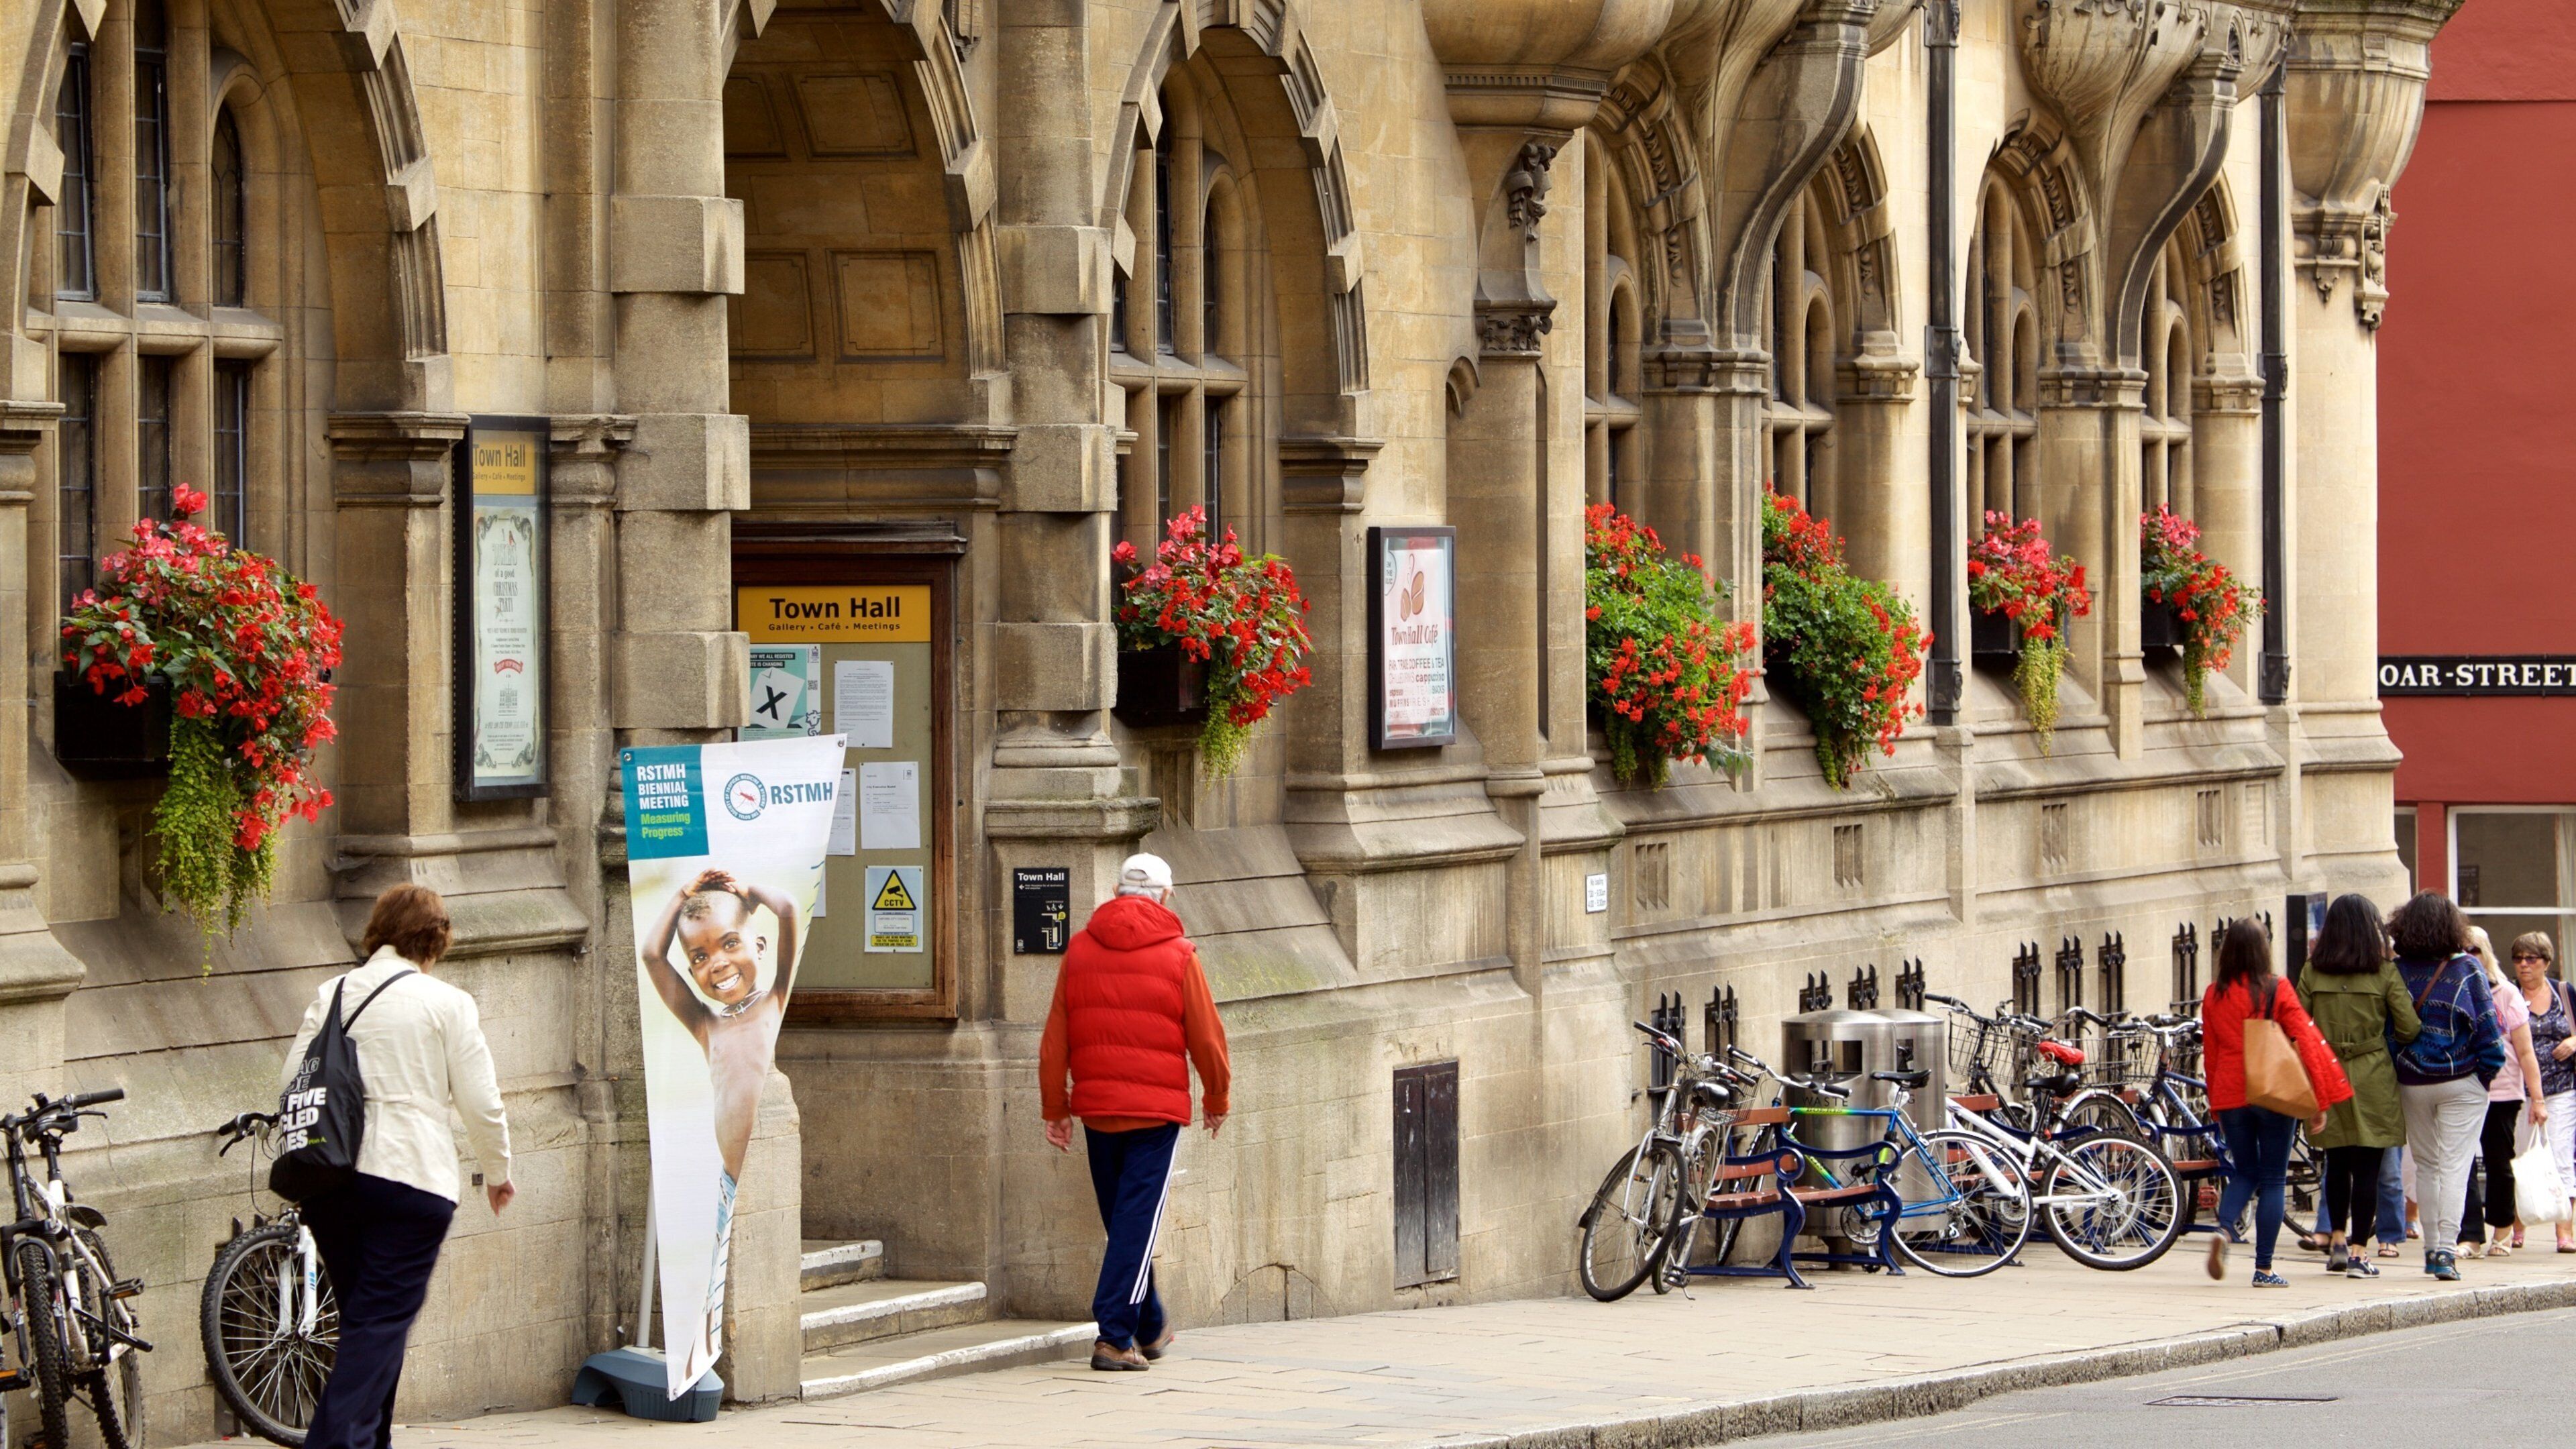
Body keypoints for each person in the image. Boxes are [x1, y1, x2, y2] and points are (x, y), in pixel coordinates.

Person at [281, 885, 513, 1449]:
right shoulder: (446, 1003)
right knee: (377, 1325)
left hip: (331, 1179)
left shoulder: (333, 992)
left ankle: (367, 1442)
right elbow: (481, 1102)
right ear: (436, 939)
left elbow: (292, 1078)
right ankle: (333, 1443)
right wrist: (498, 1169)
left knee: (366, 1321)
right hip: (411, 1179)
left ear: (379, 929)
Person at [1040, 853, 1230, 1372]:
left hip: (1098, 1111)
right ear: (1166, 896)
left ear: (1119, 893)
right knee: (1134, 1227)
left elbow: (1056, 1036)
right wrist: (1217, 1097)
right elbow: (1208, 1038)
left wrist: (1056, 1106)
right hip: (1155, 1113)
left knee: (1126, 1225)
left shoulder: (1079, 949)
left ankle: (1149, 1326)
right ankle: (1113, 1336)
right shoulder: (1180, 954)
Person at [640, 867, 803, 1339]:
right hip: (722, 1184)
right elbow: (652, 953)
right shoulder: (706, 1025)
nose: (717, 962)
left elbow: (789, 908)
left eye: (730, 943)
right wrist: (681, 894)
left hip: (753, 1170)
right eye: (700, 955)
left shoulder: (775, 999)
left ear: (760, 946)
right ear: (691, 970)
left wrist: (749, 892)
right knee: (706, 1289)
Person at [2202, 918, 2346, 1286]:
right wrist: (2318, 1101)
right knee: (2272, 1178)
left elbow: (2212, 1053)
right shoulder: (2276, 989)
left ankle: (2223, 1228)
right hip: (2273, 1091)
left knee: (2245, 1171)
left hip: (2232, 1091)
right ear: (2264, 948)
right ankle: (2264, 1269)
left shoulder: (2213, 994)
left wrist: (2216, 1103)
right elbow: (2307, 1041)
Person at [2298, 894, 2420, 1278]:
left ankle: (2335, 1237)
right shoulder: (2384, 973)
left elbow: (2297, 1024)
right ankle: (2358, 1253)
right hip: (2372, 1074)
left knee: (2336, 1163)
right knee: (2368, 1168)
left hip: (2326, 1071)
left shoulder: (2312, 972)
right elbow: (2409, 1026)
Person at [2387, 891, 2506, 1281]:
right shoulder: (2467, 969)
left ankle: (2429, 1249)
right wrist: (2484, 1076)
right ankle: (2445, 1253)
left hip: (2412, 1080)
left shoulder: (2397, 970)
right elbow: (2489, 1031)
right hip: (2461, 1079)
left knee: (2427, 1165)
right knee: (2456, 1166)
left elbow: (2388, 1031)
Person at [2458, 926, 2546, 1256]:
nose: (2469, 956)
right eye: (2463, 950)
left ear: (2486, 953)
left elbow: (2526, 1052)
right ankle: (2469, 1235)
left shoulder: (2506, 993)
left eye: (2475, 950)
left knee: (2499, 1163)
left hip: (2503, 1091)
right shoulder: (2455, 991)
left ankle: (2503, 1228)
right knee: (2462, 1164)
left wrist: (2537, 1099)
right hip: (2464, 1090)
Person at [2510, 932, 2576, 1250]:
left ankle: (2565, 1232)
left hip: (2562, 1087)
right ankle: (2518, 1227)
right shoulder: (2509, 995)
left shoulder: (2565, 993)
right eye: (2519, 959)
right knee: (2521, 1158)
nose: (2524, 965)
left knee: (2561, 1157)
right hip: (2517, 1091)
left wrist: (2574, 1041)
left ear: (2546, 963)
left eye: (2531, 959)